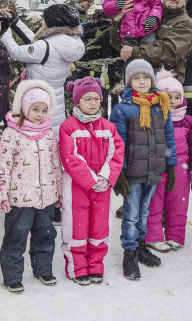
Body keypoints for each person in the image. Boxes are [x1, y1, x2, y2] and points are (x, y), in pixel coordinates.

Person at [109, 59, 176, 280]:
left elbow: (168, 138)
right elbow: (118, 143)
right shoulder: (122, 109)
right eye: (136, 78)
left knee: (145, 212)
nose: (141, 81)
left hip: (153, 169)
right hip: (133, 172)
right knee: (130, 215)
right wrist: (119, 173)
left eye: (145, 77)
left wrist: (171, 166)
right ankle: (129, 253)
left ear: (152, 80)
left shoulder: (161, 104)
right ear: (129, 81)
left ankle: (140, 246)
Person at [59, 76, 125, 285]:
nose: (93, 103)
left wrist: (105, 177)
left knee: (99, 226)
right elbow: (70, 157)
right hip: (77, 185)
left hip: (102, 187)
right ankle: (77, 267)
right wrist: (90, 179)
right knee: (76, 227)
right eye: (88, 99)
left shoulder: (108, 126)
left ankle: (96, 265)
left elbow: (116, 153)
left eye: (97, 99)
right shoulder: (69, 127)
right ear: (77, 102)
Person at [0, 80, 62, 293]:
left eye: (44, 110)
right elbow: (4, 167)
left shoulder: (49, 133)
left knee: (45, 235)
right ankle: (13, 276)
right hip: (19, 198)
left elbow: (55, 164)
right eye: (35, 109)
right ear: (24, 108)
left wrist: (59, 192)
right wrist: (3, 195)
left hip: (46, 197)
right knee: (16, 237)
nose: (40, 114)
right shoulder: (12, 133)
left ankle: (43, 269)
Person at [1, 3, 85, 137]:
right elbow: (35, 42)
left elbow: (15, 51)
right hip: (55, 106)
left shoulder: (45, 47)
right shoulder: (66, 42)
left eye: (44, 18)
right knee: (52, 143)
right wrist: (14, 21)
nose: (42, 20)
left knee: (40, 147)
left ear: (52, 22)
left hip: (38, 108)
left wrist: (4, 28)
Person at [146, 69, 192, 252]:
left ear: (182, 98)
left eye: (176, 97)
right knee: (154, 202)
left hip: (181, 167)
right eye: (167, 97)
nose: (172, 102)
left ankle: (175, 236)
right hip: (157, 166)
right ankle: (153, 236)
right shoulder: (153, 118)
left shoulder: (188, 121)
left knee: (178, 202)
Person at [110, 0, 192, 84]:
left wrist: (134, 52)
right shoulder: (146, 12)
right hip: (137, 83)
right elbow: (119, 45)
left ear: (185, 2)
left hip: (166, 87)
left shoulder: (184, 23)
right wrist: (117, 21)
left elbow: (169, 53)